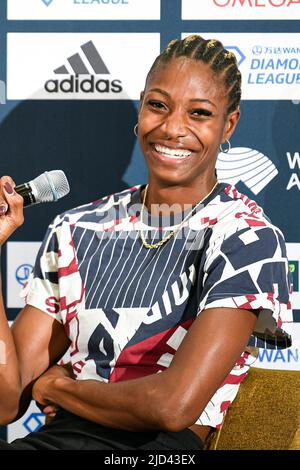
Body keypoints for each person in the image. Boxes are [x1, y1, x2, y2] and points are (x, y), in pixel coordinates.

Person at [0, 35, 292, 451]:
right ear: (141, 108)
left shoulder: (245, 236)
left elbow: (172, 407)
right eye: (158, 105)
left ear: (228, 125)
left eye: (199, 113)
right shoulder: (77, 227)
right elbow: (7, 401)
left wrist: (60, 390)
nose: (173, 128)